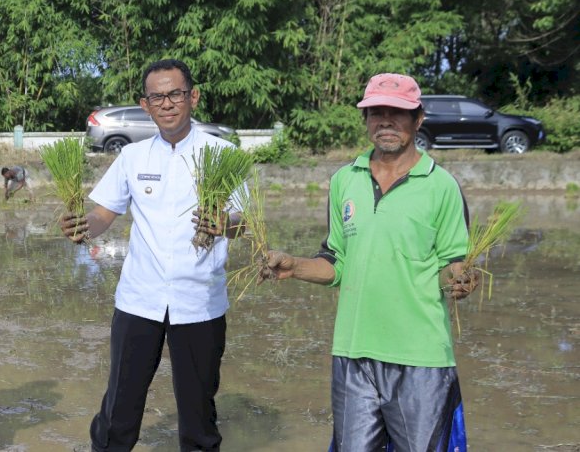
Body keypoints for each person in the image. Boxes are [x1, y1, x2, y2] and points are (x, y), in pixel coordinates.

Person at [261, 73, 479, 451]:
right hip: (353, 354)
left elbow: (452, 264)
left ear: (419, 118)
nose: (386, 121)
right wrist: (293, 266)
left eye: (398, 113)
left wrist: (458, 278)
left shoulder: (442, 185)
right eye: (376, 112)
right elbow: (336, 261)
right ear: (365, 120)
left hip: (421, 358)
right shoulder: (345, 179)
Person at [60, 59, 244, 451]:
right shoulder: (133, 157)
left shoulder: (223, 154)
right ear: (145, 105)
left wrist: (222, 224)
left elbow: (243, 223)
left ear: (192, 97)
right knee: (120, 407)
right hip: (138, 301)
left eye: (175, 94)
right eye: (157, 97)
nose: (167, 104)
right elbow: (103, 214)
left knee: (198, 411)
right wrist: (82, 227)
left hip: (200, 303)